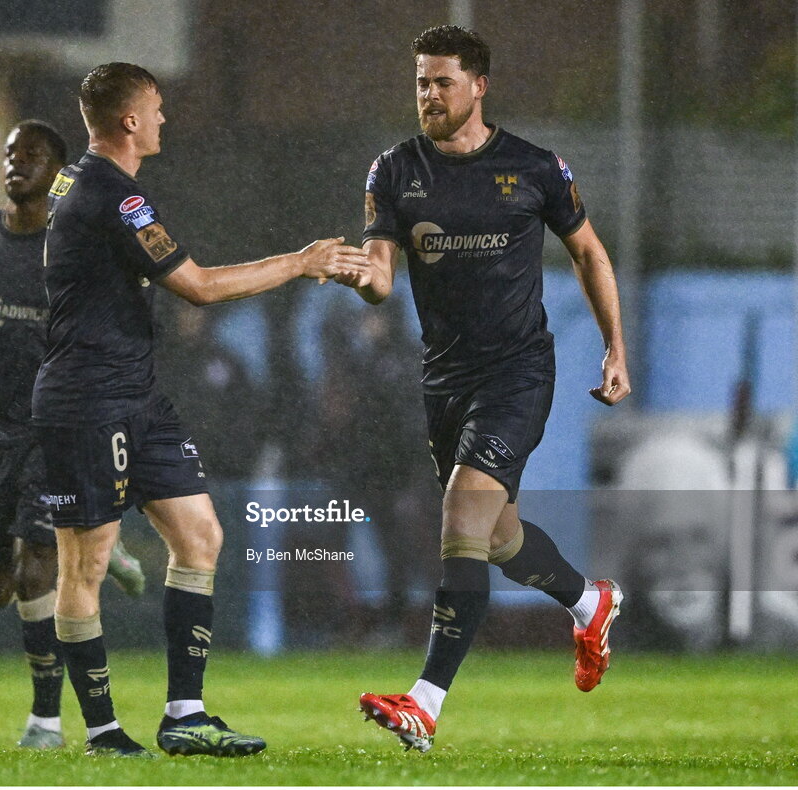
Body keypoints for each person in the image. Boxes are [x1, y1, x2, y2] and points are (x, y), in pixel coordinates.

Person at [32, 62, 368, 757]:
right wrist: (301, 262)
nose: (163, 119)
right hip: (87, 400)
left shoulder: (74, 182)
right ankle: (101, 731)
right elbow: (200, 287)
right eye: (155, 109)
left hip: (137, 394)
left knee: (200, 537)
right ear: (129, 122)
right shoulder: (116, 198)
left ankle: (184, 714)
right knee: (84, 568)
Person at [336, 26, 631, 752]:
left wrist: (616, 347)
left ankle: (425, 705)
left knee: (462, 517)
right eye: (420, 82)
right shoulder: (394, 170)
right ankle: (589, 600)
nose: (427, 95)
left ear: (479, 87)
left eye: (441, 81)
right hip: (444, 381)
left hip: (519, 372)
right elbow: (380, 276)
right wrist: (350, 272)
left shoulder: (533, 168)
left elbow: (588, 251)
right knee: (497, 537)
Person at [0, 120, 146, 750]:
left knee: (39, 574)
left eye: (31, 156)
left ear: (58, 172)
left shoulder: (78, 246)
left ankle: (44, 722)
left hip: (60, 432)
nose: (16, 165)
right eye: (11, 156)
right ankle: (100, 550)